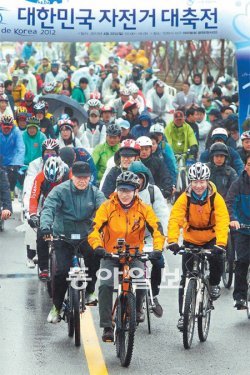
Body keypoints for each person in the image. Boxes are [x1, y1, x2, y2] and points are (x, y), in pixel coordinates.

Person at [88, 171, 165, 342]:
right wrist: (98, 246)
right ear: (117, 190)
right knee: (105, 285)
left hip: (134, 253)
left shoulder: (144, 209)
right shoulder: (107, 207)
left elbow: (157, 230)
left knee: (141, 279)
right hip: (111, 254)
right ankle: (107, 326)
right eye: (121, 190)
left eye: (128, 190)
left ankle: (137, 310)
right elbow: (94, 229)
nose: (124, 194)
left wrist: (157, 249)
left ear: (136, 191)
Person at [40, 162, 105, 323]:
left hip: (86, 235)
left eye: (85, 178)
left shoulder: (95, 193)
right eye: (78, 178)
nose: (82, 181)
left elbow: (106, 210)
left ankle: (90, 290)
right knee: (61, 271)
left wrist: (106, 228)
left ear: (89, 178)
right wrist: (46, 227)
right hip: (63, 236)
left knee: (95, 256)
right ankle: (56, 307)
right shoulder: (60, 190)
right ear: (72, 176)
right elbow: (48, 208)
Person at [167, 162, 229, 331]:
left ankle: (214, 284)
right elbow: (175, 219)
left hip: (211, 237)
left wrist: (221, 243)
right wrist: (172, 241)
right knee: (185, 277)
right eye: (195, 182)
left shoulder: (216, 198)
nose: (199, 186)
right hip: (191, 238)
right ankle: (183, 316)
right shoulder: (184, 198)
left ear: (207, 181)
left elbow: (223, 221)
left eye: (202, 182)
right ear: (190, 182)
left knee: (218, 258)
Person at [128, 161, 169, 316]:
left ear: (144, 178)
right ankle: (126, 296)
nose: (137, 181)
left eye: (139, 178)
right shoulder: (123, 190)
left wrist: (162, 239)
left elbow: (162, 215)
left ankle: (154, 294)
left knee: (159, 262)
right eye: (134, 178)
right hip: (130, 237)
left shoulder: (153, 191)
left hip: (150, 236)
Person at [28, 156, 69, 279]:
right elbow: (34, 197)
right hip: (47, 208)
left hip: (66, 208)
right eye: (50, 182)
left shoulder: (69, 176)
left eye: (56, 181)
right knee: (41, 234)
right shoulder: (40, 177)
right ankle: (44, 267)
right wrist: (33, 214)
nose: (53, 184)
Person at [226, 155, 250, 309]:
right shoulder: (238, 184)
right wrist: (233, 219)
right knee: (242, 262)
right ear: (246, 166)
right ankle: (240, 297)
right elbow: (230, 203)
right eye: (249, 164)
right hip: (243, 229)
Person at [0, 115, 25, 199]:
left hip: (12, 159)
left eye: (9, 127)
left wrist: (17, 163)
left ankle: (11, 190)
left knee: (13, 171)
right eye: (4, 126)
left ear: (12, 126)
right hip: (0, 157)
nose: (6, 129)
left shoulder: (16, 131)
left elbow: (20, 147)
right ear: (1, 125)